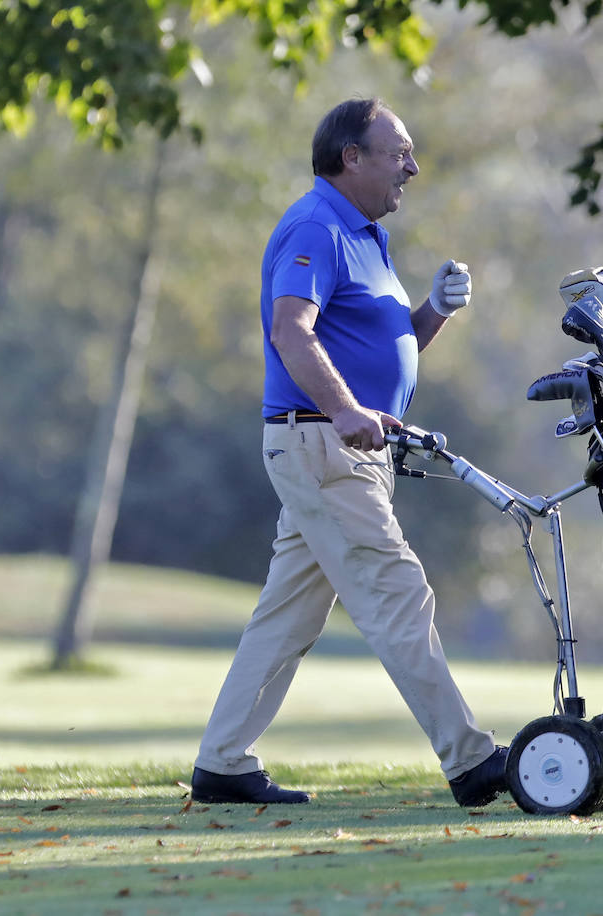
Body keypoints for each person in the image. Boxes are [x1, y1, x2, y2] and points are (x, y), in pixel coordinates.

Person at [190, 98, 507, 808]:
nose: (412, 168)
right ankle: (472, 760)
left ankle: (223, 763)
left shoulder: (367, 237)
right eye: (399, 153)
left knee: (289, 615)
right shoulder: (316, 226)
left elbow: (376, 347)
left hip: (336, 445)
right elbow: (291, 330)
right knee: (398, 592)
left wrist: (435, 311)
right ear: (351, 157)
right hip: (323, 442)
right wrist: (342, 410)